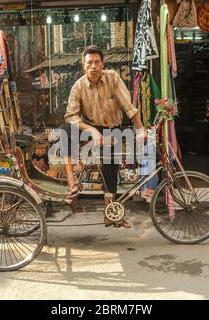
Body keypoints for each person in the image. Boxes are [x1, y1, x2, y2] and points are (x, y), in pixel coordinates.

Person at [61, 45, 146, 228]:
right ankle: (72, 184)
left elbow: (128, 106)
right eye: (89, 63)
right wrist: (91, 130)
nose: (93, 66)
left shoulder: (113, 78)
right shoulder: (78, 86)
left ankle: (111, 213)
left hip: (112, 129)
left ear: (103, 64)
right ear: (83, 66)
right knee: (65, 130)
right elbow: (70, 116)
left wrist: (141, 129)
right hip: (90, 126)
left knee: (110, 169)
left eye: (97, 62)